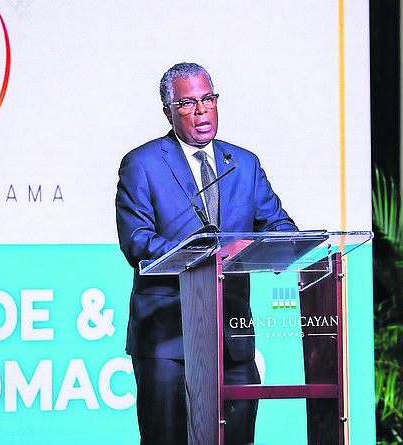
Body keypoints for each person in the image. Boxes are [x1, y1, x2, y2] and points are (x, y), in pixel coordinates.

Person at [115, 62, 297, 445]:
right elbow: (138, 242)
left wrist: (284, 244)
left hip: (231, 338)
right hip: (167, 339)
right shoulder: (142, 164)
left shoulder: (243, 164)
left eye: (208, 99)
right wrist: (204, 255)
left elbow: (279, 227)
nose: (201, 111)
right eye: (187, 103)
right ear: (168, 111)